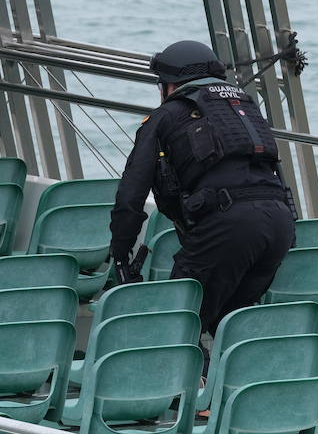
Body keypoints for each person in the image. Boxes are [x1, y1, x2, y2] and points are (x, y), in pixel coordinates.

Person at [109, 39, 296, 335]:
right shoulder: (242, 107)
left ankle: (188, 379)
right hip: (280, 226)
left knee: (178, 324)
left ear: (170, 84)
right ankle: (225, 379)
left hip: (230, 227)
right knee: (228, 327)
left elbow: (131, 194)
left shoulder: (166, 116)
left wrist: (119, 253)